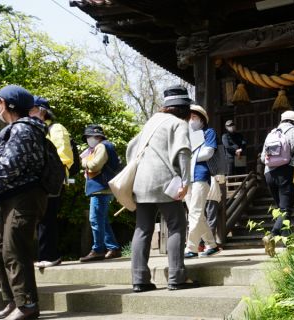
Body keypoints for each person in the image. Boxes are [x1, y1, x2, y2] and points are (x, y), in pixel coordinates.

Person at [126, 85, 195, 292]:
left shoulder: (151, 122)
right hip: (165, 183)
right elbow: (183, 152)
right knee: (176, 225)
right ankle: (176, 277)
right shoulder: (178, 124)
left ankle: (139, 279)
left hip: (141, 182)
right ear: (184, 109)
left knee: (142, 229)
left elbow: (131, 147)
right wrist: (185, 181)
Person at [0, 85, 48, 320]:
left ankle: (27, 304)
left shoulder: (24, 130)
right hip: (8, 197)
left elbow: (8, 167)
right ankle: (13, 300)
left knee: (14, 249)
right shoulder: (13, 130)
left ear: (6, 104)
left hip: (23, 197)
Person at [260, 110, 294, 256]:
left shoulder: (271, 134)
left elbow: (261, 158)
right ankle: (271, 236)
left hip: (269, 173)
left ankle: (288, 244)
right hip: (286, 172)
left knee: (282, 210)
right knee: (286, 210)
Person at [30, 96, 74, 268]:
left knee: (47, 218)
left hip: (52, 180)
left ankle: (50, 255)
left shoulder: (56, 129)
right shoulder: (38, 129)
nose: (29, 113)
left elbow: (64, 157)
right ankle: (46, 255)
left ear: (42, 110)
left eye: (32, 109)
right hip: (42, 180)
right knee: (42, 218)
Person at [80, 124, 122, 262]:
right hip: (103, 187)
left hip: (100, 188)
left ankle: (97, 250)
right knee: (102, 220)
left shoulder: (101, 146)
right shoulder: (105, 146)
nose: (88, 139)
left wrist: (84, 161)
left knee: (95, 219)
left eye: (89, 136)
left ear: (97, 136)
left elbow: (95, 165)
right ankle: (113, 248)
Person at [185, 104, 220, 258]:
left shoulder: (208, 132)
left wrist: (188, 156)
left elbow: (209, 152)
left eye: (194, 117)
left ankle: (191, 248)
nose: (191, 121)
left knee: (195, 212)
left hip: (201, 175)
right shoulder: (185, 136)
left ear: (202, 120)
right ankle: (212, 245)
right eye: (188, 118)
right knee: (198, 215)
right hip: (186, 178)